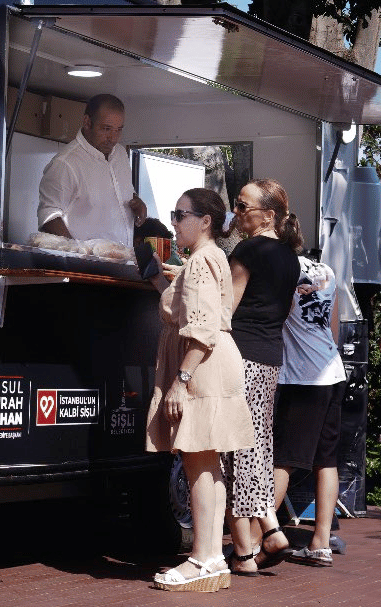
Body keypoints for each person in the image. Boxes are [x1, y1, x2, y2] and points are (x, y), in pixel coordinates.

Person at [147, 188, 255, 592]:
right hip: (211, 364)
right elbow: (189, 312)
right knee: (206, 461)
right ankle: (209, 557)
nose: (174, 221)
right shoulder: (206, 259)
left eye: (180, 214)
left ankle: (204, 557)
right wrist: (158, 276)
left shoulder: (202, 260)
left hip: (203, 367)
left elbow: (204, 325)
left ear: (205, 221)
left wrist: (181, 379)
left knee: (198, 460)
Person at [222, 179, 302, 576]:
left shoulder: (248, 249)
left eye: (242, 205)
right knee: (256, 447)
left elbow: (227, 307)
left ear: (267, 215)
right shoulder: (290, 258)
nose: (236, 211)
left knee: (234, 451)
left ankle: (249, 547)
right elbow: (285, 311)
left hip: (240, 355)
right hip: (270, 358)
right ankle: (264, 532)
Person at [273, 252, 347, 567]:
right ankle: (320, 543)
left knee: (282, 461)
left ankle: (250, 542)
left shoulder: (282, 270)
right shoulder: (327, 271)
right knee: (325, 460)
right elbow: (334, 330)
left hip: (304, 377)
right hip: (332, 370)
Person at [37, 94, 147, 244]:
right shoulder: (65, 164)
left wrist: (137, 202)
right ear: (87, 122)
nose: (113, 138)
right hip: (85, 264)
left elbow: (121, 192)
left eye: (118, 130)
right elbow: (48, 218)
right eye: (106, 129)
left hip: (123, 260)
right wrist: (78, 254)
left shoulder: (121, 154)